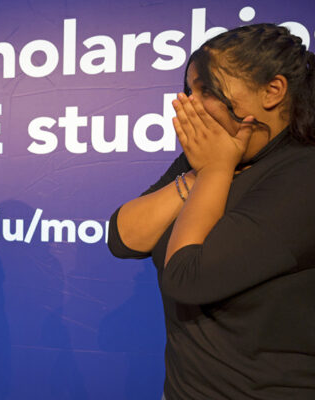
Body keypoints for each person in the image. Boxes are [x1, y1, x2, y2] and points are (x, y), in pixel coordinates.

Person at [108, 23, 315, 398]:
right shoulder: (204, 159)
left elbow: (186, 277)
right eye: (190, 91)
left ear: (273, 91)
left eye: (206, 90)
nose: (190, 104)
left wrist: (215, 170)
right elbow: (123, 237)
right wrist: (204, 173)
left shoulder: (303, 174)